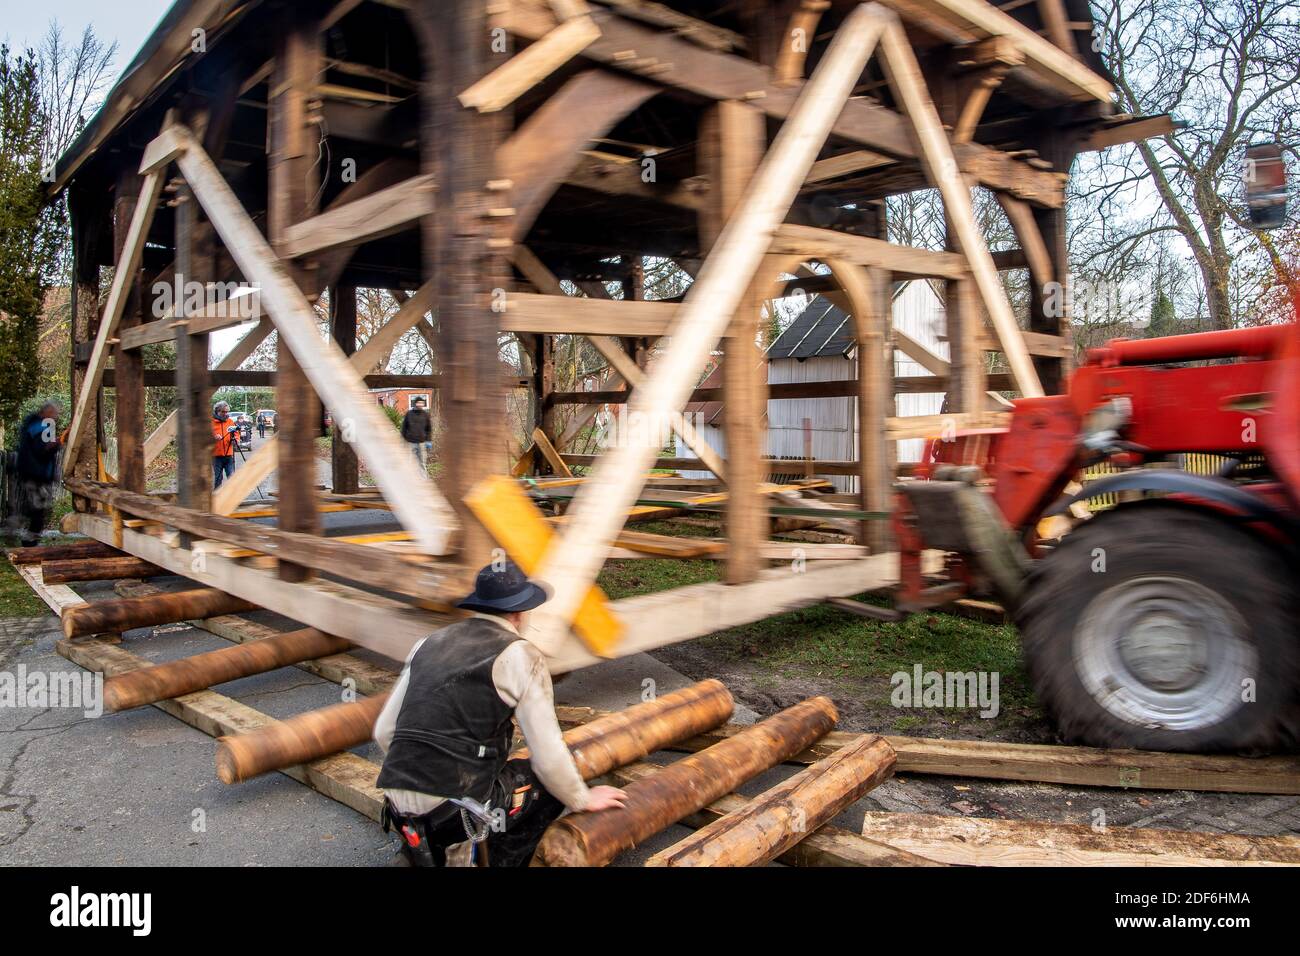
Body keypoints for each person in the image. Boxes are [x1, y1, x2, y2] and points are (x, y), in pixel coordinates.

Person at [375, 559, 628, 867]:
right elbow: (548, 757)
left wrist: (424, 770)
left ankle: (428, 849)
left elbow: (384, 731)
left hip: (398, 805)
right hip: (453, 810)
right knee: (540, 781)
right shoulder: (520, 654)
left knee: (502, 772)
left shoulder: (428, 643)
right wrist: (583, 799)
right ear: (520, 612)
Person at [13, 400, 63, 546]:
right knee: (37, 509)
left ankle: (27, 537)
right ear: (45, 412)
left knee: (35, 508)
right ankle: (29, 540)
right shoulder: (41, 426)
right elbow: (42, 450)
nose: (55, 417)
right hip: (36, 475)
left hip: (34, 473)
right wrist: (59, 442)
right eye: (54, 413)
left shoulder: (34, 424)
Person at [211, 401, 239, 489]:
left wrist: (236, 440)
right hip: (216, 456)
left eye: (226, 412)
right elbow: (205, 436)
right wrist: (214, 437)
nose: (225, 414)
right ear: (217, 411)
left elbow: (236, 433)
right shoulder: (211, 422)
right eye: (223, 412)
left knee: (231, 478)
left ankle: (232, 498)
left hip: (229, 455)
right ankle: (217, 499)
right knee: (218, 479)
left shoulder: (230, 421)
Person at [400, 397, 432, 472]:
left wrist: (429, 440)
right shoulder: (409, 414)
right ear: (415, 403)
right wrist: (404, 440)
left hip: (422, 442)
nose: (420, 404)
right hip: (411, 443)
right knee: (410, 462)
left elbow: (429, 428)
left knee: (422, 463)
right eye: (419, 403)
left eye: (422, 403)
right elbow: (404, 427)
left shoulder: (425, 415)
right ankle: (410, 480)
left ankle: (423, 479)